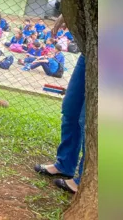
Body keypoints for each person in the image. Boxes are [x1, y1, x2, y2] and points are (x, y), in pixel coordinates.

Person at [34, 55, 86, 194]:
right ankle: (64, 164)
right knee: (71, 111)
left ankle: (84, 179)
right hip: (90, 53)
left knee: (88, 120)